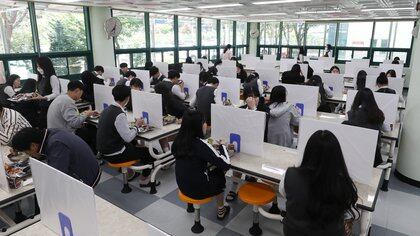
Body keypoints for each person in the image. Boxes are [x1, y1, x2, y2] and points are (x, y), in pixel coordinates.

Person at [279, 130, 359, 236]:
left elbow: (284, 193)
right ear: (337, 155)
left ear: (308, 151)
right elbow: (349, 214)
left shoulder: (290, 174)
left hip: (293, 231)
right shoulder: (344, 183)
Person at [172, 110, 231, 220]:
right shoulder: (200, 144)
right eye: (204, 122)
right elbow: (226, 164)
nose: (206, 125)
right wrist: (222, 146)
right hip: (198, 191)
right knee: (219, 173)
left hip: (182, 186)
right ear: (197, 126)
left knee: (194, 169)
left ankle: (190, 205)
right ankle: (221, 209)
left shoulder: (178, 140)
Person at [96, 85, 155, 186]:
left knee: (135, 144)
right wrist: (137, 126)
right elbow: (128, 138)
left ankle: (130, 171)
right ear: (128, 97)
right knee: (150, 153)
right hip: (115, 154)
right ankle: (144, 180)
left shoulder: (107, 109)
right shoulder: (119, 114)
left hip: (103, 151)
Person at [11, 127, 101, 187]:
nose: (29, 155)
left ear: (33, 146)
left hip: (87, 177)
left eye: (27, 152)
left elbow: (58, 176)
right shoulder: (50, 133)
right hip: (85, 166)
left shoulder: (56, 145)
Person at [345, 88, 390, 167]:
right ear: (372, 99)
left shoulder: (351, 113)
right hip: (374, 154)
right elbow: (387, 129)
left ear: (357, 99)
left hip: (355, 151)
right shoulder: (379, 114)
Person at [33, 56, 61, 129]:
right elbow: (40, 90)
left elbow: (56, 93)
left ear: (45, 66)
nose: (38, 69)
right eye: (37, 67)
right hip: (42, 105)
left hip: (50, 106)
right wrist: (35, 94)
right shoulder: (42, 77)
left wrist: (44, 97)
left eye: (40, 67)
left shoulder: (52, 77)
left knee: (48, 126)